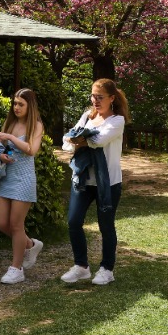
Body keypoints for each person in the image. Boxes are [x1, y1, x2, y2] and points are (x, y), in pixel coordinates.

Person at [60, 79, 127, 285]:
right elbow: (66, 141)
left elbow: (98, 141)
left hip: (108, 183)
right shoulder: (87, 116)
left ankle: (107, 269)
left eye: (100, 97)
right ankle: (81, 267)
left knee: (105, 226)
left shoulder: (117, 121)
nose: (95, 101)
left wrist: (79, 139)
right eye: (93, 96)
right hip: (83, 179)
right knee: (73, 221)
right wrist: (77, 140)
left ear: (112, 98)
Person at [0, 88, 45, 284]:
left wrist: (11, 138)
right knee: (1, 223)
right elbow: (2, 148)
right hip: (6, 178)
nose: (16, 107)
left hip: (24, 179)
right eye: (14, 103)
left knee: (16, 225)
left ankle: (16, 268)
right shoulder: (11, 123)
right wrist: (1, 155)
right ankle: (30, 244)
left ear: (30, 106)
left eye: (21, 104)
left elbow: (31, 150)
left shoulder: (36, 126)